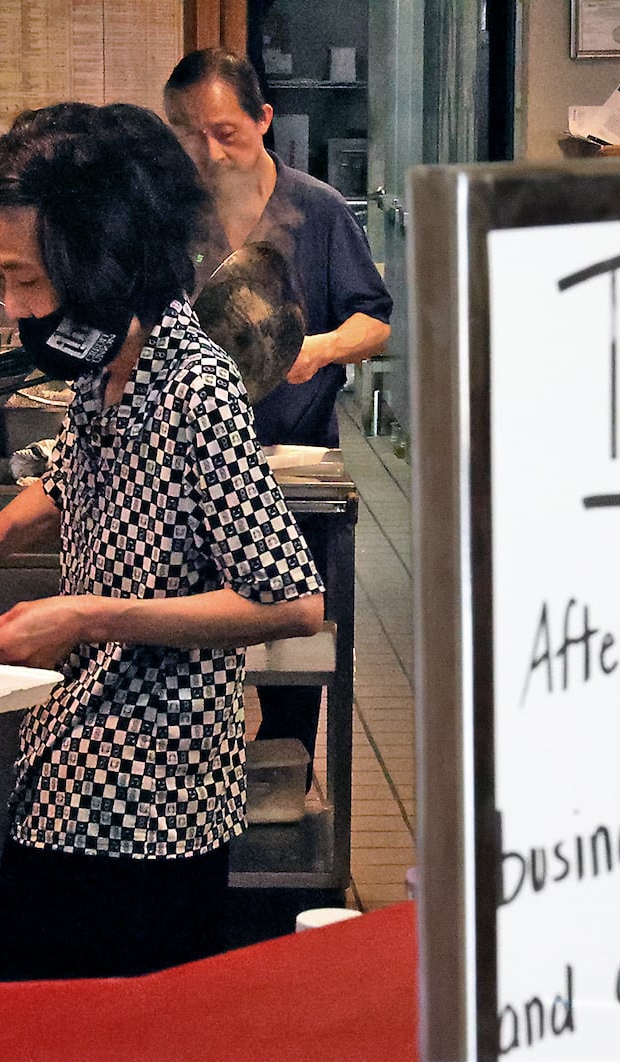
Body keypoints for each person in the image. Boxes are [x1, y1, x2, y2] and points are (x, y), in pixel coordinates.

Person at [0, 101, 325, 982]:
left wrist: (85, 616)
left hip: (150, 796)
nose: (13, 308)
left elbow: (291, 600)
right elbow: (74, 472)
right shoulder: (103, 359)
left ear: (103, 261)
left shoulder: (192, 386)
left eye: (27, 280)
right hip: (72, 753)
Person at [164, 47, 392, 781]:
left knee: (294, 660)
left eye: (224, 131)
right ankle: (199, 806)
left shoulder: (317, 209)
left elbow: (377, 320)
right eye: (189, 133)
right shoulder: (177, 218)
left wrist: (318, 348)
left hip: (293, 471)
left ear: (264, 119)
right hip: (191, 476)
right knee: (194, 656)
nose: (208, 150)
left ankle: (282, 792)